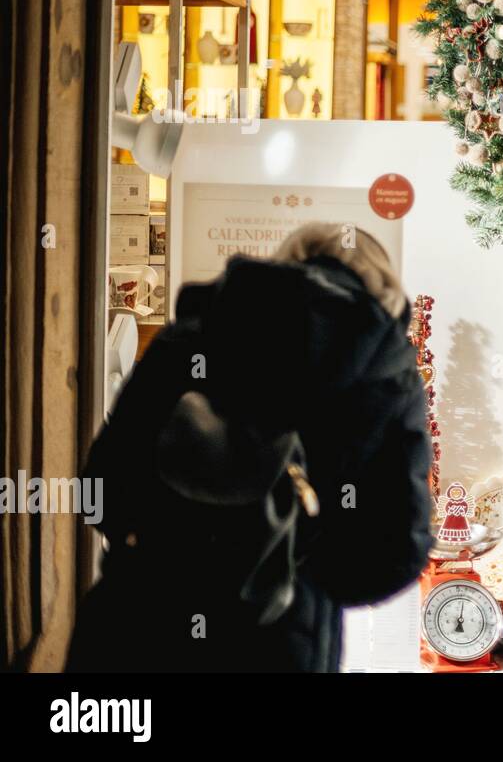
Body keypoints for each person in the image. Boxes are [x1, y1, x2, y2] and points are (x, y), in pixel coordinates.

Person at [68, 223, 433, 671]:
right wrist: (303, 575)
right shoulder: (390, 380)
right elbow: (396, 553)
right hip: (280, 645)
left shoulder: (195, 335)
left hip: (136, 626)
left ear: (286, 258)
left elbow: (99, 492)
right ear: (383, 283)